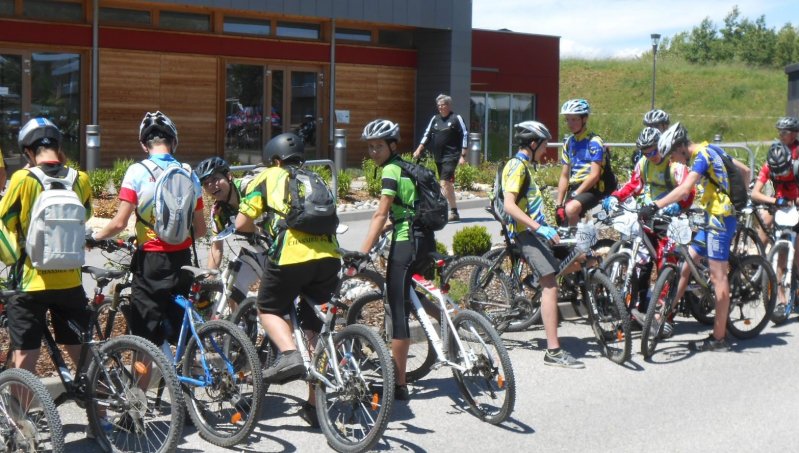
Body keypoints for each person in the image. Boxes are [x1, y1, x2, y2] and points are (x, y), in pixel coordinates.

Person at [235, 132, 340, 427]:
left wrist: (256, 228)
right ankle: (314, 405)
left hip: (292, 256)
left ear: (276, 159)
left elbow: (242, 222)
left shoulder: (269, 176)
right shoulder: (314, 178)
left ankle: (289, 354)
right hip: (330, 256)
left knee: (268, 308)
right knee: (312, 329)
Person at [91, 111, 206, 348]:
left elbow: (119, 223)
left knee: (145, 337)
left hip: (152, 260)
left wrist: (94, 237)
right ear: (173, 141)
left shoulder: (137, 172)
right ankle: (185, 378)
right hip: (183, 259)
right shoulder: (189, 174)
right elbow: (201, 229)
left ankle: (140, 387)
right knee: (179, 330)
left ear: (144, 145)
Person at [638, 122, 746, 352]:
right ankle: (662, 319)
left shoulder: (701, 157)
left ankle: (718, 338)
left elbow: (685, 189)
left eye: (673, 155)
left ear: (680, 147)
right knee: (686, 265)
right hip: (712, 217)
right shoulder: (712, 149)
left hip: (720, 220)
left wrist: (655, 205)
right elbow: (745, 171)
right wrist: (738, 202)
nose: (674, 161)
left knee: (718, 277)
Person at [0, 118, 92, 373]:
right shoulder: (80, 178)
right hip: (70, 281)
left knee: (25, 355)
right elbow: (86, 215)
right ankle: (102, 409)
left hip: (31, 281)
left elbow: (4, 219)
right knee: (80, 350)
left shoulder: (23, 178)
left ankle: (22, 413)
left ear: (28, 150)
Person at [362, 119, 438, 395]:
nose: (373, 152)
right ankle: (452, 319)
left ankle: (398, 383)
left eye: (379, 146)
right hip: (425, 240)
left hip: (406, 244)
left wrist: (362, 252)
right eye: (370, 147)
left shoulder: (392, 171)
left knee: (398, 310)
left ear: (393, 145)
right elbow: (406, 211)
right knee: (412, 295)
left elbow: (381, 212)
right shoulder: (408, 168)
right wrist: (383, 229)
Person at [501, 121, 584, 368]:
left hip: (535, 232)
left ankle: (535, 279)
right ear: (533, 143)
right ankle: (553, 352)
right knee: (550, 284)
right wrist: (539, 228)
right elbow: (509, 205)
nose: (546, 150)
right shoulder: (517, 167)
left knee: (580, 258)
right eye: (545, 144)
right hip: (524, 233)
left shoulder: (526, 165)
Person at [602, 127, 694, 330]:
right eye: (645, 152)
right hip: (649, 218)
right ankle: (639, 311)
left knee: (665, 263)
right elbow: (634, 185)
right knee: (641, 265)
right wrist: (615, 196)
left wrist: (678, 206)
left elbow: (689, 191)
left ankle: (665, 316)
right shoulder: (643, 163)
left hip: (670, 222)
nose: (649, 156)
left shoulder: (675, 164)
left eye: (653, 151)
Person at [195, 156, 265, 313]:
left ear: (229, 176)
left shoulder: (248, 189)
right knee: (232, 289)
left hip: (278, 251)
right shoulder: (218, 211)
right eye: (206, 183)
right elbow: (216, 249)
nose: (212, 186)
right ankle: (239, 330)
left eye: (215, 179)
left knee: (281, 305)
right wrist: (209, 283)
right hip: (254, 252)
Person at [750, 142, 799, 314]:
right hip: (780, 203)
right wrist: (775, 201)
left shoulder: (797, 166)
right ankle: (781, 300)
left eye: (783, 171)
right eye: (776, 171)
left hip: (796, 203)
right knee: (781, 256)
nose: (780, 174)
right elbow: (755, 193)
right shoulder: (767, 167)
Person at [413, 94, 468, 222]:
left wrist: (463, 155)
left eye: (443, 105)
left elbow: (465, 135)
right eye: (439, 105)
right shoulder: (435, 119)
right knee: (447, 184)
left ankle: (439, 210)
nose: (441, 107)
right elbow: (427, 134)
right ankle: (454, 211)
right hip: (438, 156)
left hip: (451, 155)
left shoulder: (456, 118)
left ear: (449, 105)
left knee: (443, 183)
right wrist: (419, 148)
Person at [556, 98, 607, 226]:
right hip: (574, 188)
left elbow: (594, 175)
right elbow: (564, 175)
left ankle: (576, 242)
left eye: (574, 119)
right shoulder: (569, 142)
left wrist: (575, 195)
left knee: (570, 209)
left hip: (591, 188)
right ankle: (578, 241)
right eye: (567, 119)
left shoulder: (594, 142)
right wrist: (558, 204)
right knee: (561, 219)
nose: (570, 123)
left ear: (584, 119)